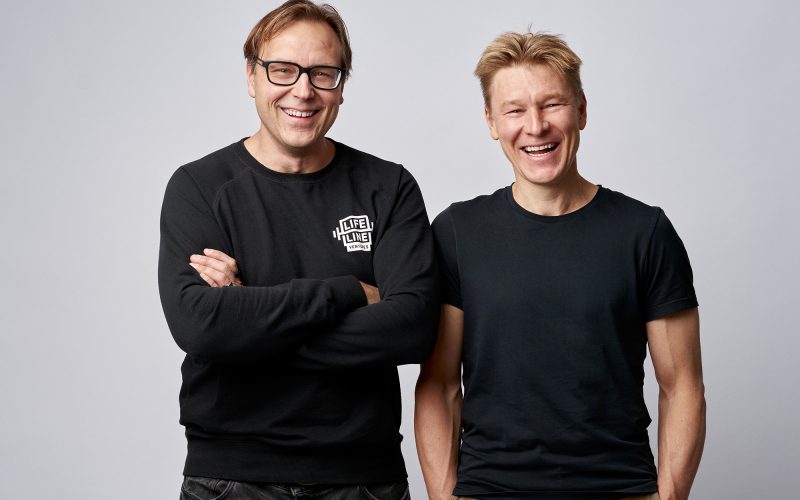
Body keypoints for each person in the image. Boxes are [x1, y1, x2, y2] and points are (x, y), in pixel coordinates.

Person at [158, 1, 438, 498]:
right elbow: (199, 325)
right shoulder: (199, 187)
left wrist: (248, 323)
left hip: (362, 479)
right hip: (230, 479)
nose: (303, 91)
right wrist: (348, 292)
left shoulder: (389, 187)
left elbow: (412, 328)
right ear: (251, 76)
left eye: (323, 73)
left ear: (342, 86)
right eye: (283, 70)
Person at [415, 31, 705, 500]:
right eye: (514, 110)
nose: (535, 126)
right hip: (490, 490)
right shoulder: (456, 233)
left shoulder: (645, 232)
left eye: (552, 104)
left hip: (618, 488)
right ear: (491, 121)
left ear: (582, 110)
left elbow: (683, 386)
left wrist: (668, 497)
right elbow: (439, 384)